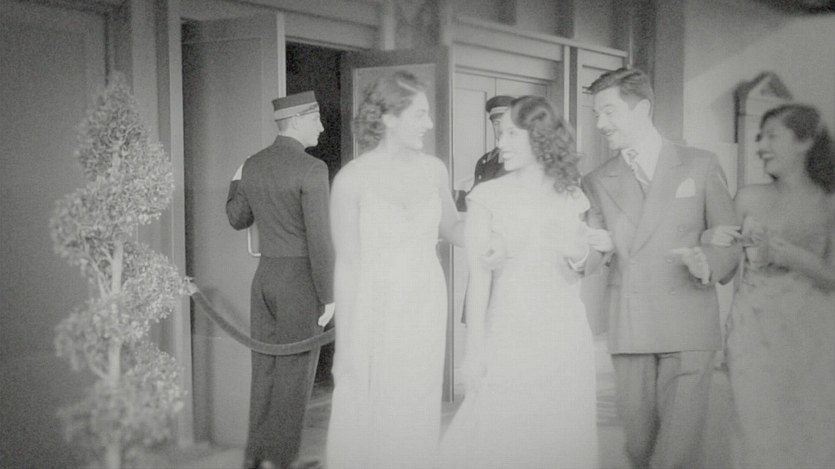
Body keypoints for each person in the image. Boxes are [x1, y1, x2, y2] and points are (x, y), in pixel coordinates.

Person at [439, 96, 613, 469]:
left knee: (560, 438)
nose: (500, 142)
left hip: (565, 334)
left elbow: (582, 264)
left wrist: (578, 248)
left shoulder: (572, 194)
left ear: (539, 136)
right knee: (502, 436)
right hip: (510, 332)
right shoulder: (487, 196)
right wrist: (474, 352)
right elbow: (479, 281)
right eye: (500, 133)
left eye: (511, 134)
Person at [581, 68, 740, 469]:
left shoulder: (700, 164)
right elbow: (592, 254)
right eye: (596, 114)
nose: (600, 124)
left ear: (642, 109)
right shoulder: (597, 180)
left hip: (688, 323)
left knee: (676, 453)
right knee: (639, 449)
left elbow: (729, 239)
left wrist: (707, 261)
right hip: (631, 325)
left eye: (609, 112)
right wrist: (581, 249)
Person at [324, 70, 464, 469]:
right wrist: (344, 347)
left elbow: (454, 228)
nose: (429, 123)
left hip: (425, 302)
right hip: (375, 306)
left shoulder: (434, 170)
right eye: (419, 114)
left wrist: (507, 224)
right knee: (369, 405)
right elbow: (347, 264)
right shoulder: (351, 180)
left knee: (417, 403)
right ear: (388, 117)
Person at [703, 104, 835, 469]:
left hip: (812, 334)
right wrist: (709, 242)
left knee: (808, 432)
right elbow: (725, 268)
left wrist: (790, 255)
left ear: (805, 141)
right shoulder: (748, 197)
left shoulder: (829, 203)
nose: (760, 146)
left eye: (772, 136)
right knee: (754, 431)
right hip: (752, 332)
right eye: (759, 137)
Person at [226, 91, 335, 469]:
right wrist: (330, 295)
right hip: (300, 282)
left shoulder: (252, 164)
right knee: (295, 376)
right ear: (299, 120)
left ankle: (256, 459)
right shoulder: (312, 168)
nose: (321, 127)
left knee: (265, 372)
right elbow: (319, 238)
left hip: (265, 280)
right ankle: (281, 462)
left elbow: (236, 218)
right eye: (316, 119)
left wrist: (238, 178)